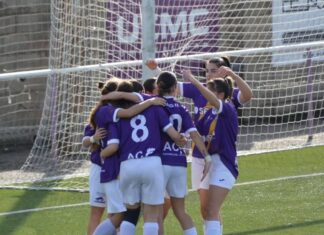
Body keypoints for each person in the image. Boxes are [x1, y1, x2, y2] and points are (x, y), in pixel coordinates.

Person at [146, 57, 252, 228]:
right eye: (207, 71)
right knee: (205, 209)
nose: (208, 74)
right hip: (200, 156)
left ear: (223, 71)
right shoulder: (199, 92)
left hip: (222, 157)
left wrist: (232, 74)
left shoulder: (227, 101)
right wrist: (156, 69)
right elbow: (171, 87)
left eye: (213, 70)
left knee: (211, 209)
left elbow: (248, 94)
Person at [101, 91, 187, 235]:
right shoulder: (154, 106)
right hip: (151, 163)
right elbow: (173, 134)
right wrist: (181, 139)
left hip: (127, 165)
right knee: (151, 215)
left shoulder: (117, 116)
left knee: (130, 213)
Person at [89, 79, 167, 234]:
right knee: (122, 215)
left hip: (117, 168)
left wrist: (93, 143)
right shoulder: (110, 112)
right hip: (113, 170)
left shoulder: (108, 112)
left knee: (125, 214)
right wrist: (101, 153)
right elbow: (113, 144)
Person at [183, 69, 243, 235]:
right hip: (210, 163)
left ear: (221, 95)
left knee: (211, 209)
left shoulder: (228, 109)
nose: (205, 95)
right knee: (206, 210)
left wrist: (194, 81)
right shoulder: (208, 114)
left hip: (224, 164)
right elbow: (196, 134)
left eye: (210, 91)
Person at [156, 71, 211, 235]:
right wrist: (207, 157)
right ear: (174, 88)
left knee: (156, 214)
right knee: (181, 211)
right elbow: (194, 135)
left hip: (159, 163)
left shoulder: (154, 106)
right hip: (179, 163)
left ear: (158, 87)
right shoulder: (182, 109)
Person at [82, 125, 107, 235]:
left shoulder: (122, 116)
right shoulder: (97, 119)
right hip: (99, 170)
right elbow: (85, 142)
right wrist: (93, 138)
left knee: (118, 214)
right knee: (96, 212)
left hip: (118, 171)